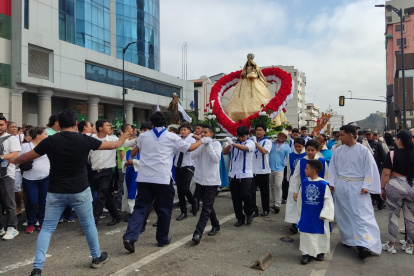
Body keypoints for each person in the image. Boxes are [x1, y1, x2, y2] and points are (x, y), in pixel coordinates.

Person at [10, 109, 130, 275]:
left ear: (59, 123)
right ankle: (96, 257)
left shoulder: (50, 141)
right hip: (79, 190)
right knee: (88, 225)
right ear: (75, 124)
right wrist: (123, 137)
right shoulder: (84, 140)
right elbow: (113, 145)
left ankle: (37, 268)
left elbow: (24, 158)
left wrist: (10, 159)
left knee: (47, 229)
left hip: (55, 191)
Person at [122, 112, 203, 253]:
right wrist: (203, 140)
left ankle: (130, 237)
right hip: (162, 179)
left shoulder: (143, 136)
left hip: (145, 177)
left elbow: (135, 151)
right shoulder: (172, 137)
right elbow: (189, 148)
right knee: (164, 209)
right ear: (165, 123)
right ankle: (162, 238)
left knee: (140, 208)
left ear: (151, 123)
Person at [328, 125, 382, 259]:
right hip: (342, 186)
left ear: (351, 135)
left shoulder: (363, 150)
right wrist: (331, 183)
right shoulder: (338, 151)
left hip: (358, 187)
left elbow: (370, 168)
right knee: (343, 213)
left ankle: (365, 244)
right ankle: (349, 239)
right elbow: (332, 168)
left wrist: (367, 185)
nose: (339, 137)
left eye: (342, 135)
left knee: (361, 215)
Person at [90, 120, 136, 226]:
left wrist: (139, 139)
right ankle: (116, 216)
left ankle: (93, 222)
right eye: (107, 125)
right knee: (105, 196)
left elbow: (127, 143)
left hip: (107, 171)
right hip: (95, 171)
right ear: (100, 128)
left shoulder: (113, 139)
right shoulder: (92, 139)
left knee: (100, 195)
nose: (110, 127)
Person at [380, 130, 414, 255]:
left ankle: (391, 244)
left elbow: (386, 173)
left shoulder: (392, 154)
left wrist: (382, 188)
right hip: (412, 186)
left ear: (399, 140)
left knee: (393, 216)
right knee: (410, 218)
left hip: (396, 186)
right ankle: (410, 245)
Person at [295, 160, 334, 264]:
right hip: (306, 213)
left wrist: (325, 213)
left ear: (313, 171)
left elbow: (328, 201)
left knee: (319, 234)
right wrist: (299, 214)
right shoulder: (304, 183)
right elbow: (300, 200)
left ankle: (320, 252)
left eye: (307, 168)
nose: (304, 170)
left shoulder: (323, 184)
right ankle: (306, 253)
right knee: (306, 234)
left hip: (318, 214)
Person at [190, 125, 222, 244]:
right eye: (201, 132)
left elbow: (216, 159)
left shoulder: (216, 144)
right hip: (200, 180)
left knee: (206, 207)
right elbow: (192, 156)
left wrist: (208, 146)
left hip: (211, 181)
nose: (202, 134)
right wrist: (202, 145)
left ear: (211, 134)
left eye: (205, 132)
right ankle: (216, 224)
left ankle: (198, 233)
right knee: (208, 205)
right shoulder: (200, 144)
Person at [223, 126, 256, 226]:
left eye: (243, 136)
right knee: (235, 197)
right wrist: (230, 145)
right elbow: (224, 152)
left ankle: (250, 212)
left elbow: (245, 149)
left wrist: (233, 143)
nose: (241, 138)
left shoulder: (250, 143)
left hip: (246, 174)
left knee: (245, 194)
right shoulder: (234, 143)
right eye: (239, 136)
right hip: (233, 174)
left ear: (247, 135)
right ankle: (240, 218)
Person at [224, 53, 272, 122]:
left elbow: (257, 73)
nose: (249, 63)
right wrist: (244, 74)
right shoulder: (245, 67)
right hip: (244, 82)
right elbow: (243, 73)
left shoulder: (254, 67)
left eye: (250, 61)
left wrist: (252, 73)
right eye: (248, 62)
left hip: (253, 80)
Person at [20, 127, 50, 234]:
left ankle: (42, 222)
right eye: (45, 134)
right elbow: (20, 159)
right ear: (38, 135)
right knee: (32, 201)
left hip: (45, 177)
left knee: (43, 202)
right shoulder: (25, 146)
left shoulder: (48, 145)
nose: (47, 136)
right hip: (30, 179)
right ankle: (31, 223)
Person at [0, 116, 21, 240]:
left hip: (7, 175)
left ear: (5, 125)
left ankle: (12, 227)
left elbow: (15, 153)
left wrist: (2, 157)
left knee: (9, 202)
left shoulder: (11, 138)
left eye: (1, 124)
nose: (0, 127)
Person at [175, 123, 198, 221]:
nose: (182, 131)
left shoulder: (192, 139)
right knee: (179, 191)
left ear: (189, 131)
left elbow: (188, 149)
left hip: (188, 166)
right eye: (181, 130)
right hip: (178, 166)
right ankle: (183, 212)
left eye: (185, 130)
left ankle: (193, 202)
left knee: (185, 188)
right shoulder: (178, 139)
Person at [285, 137, 306, 233]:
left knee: (302, 201)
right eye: (296, 146)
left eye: (300, 147)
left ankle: (302, 221)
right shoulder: (290, 155)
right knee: (293, 201)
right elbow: (289, 168)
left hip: (304, 180)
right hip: (294, 179)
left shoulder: (307, 155)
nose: (298, 148)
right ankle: (293, 222)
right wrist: (289, 179)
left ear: (303, 146)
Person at [251, 124, 272, 216]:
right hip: (252, 170)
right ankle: (254, 210)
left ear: (264, 131)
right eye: (257, 130)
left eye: (260, 130)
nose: (258, 132)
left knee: (264, 191)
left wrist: (256, 143)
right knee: (251, 191)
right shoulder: (252, 141)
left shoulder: (267, 141)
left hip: (263, 170)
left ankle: (266, 209)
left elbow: (264, 151)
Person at [269, 130, 291, 214]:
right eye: (280, 135)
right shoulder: (271, 144)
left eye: (283, 136)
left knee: (278, 186)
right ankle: (274, 201)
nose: (281, 137)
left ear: (285, 138)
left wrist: (288, 171)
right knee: (272, 186)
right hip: (269, 168)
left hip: (280, 169)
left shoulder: (287, 147)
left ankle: (277, 204)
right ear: (278, 135)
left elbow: (288, 160)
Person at [364, 129, 386, 210]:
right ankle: (371, 201)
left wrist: (382, 167)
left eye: (369, 134)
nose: (368, 136)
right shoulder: (363, 144)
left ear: (372, 135)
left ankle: (380, 203)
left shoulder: (377, 144)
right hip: (366, 169)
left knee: (377, 185)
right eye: (366, 134)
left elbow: (383, 156)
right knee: (367, 186)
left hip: (376, 167)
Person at [7, 122, 24, 216]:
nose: (14, 128)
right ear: (7, 128)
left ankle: (18, 206)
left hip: (17, 166)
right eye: (12, 127)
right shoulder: (4, 137)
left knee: (16, 188)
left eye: (15, 127)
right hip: (6, 166)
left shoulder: (21, 137)